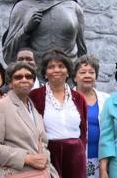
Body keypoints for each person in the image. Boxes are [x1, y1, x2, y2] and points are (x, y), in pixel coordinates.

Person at [0, 62, 59, 178]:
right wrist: (25, 158)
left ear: (33, 82)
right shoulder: (0, 107)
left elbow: (42, 145)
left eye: (28, 77)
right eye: (18, 77)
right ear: (10, 83)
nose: (24, 80)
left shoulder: (34, 111)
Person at [30, 49, 87, 178]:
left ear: (68, 72)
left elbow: (83, 130)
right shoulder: (35, 96)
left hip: (75, 155)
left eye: (61, 66)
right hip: (48, 153)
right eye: (51, 67)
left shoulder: (78, 98)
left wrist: (81, 150)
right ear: (45, 73)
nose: (56, 70)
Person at [73, 55, 110, 178]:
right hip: (74, 159)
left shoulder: (107, 99)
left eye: (91, 72)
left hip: (101, 160)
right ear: (74, 77)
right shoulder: (66, 99)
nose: (87, 75)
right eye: (82, 72)